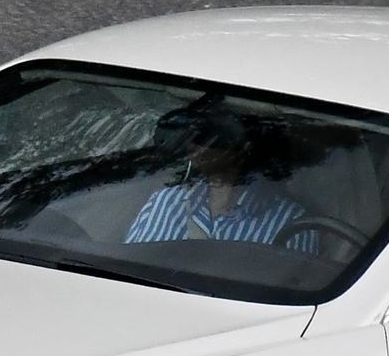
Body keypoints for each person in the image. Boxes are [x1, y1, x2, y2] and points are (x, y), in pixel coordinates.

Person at [125, 107, 315, 251]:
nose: (192, 144)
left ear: (243, 146)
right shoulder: (163, 202)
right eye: (192, 133)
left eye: (207, 136)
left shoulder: (292, 222)